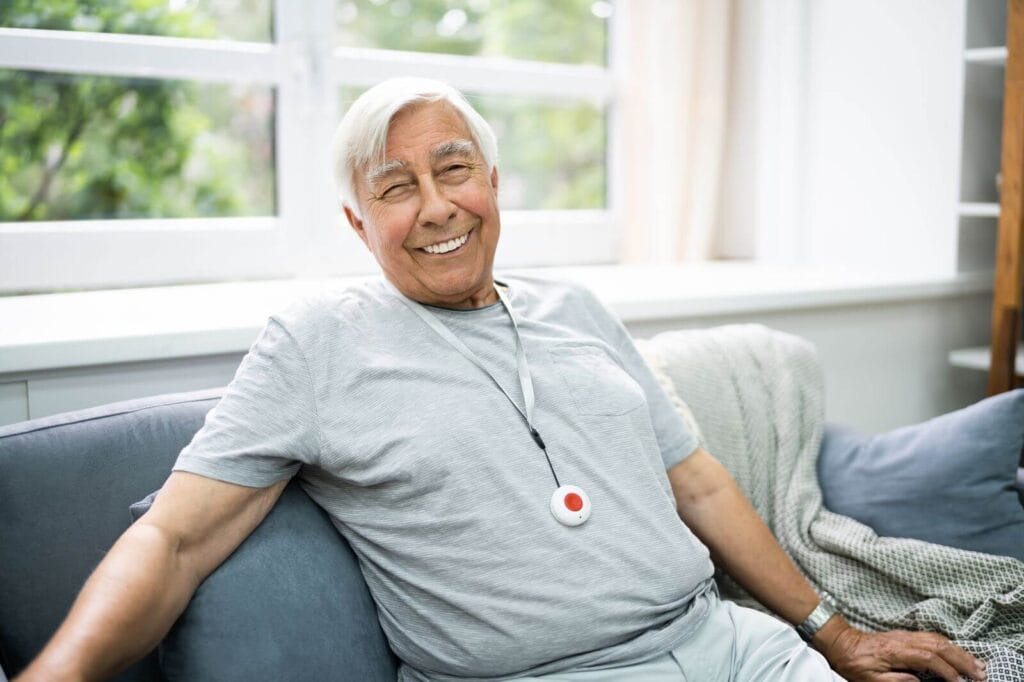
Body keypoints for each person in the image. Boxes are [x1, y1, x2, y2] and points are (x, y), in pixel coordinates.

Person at [17, 78, 988, 682]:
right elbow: (176, 540)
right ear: (358, 223)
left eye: (454, 169)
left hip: (730, 646)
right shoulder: (319, 341)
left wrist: (834, 632)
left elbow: (693, 478)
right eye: (395, 187)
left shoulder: (576, 309)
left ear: (491, 180)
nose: (436, 206)